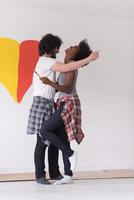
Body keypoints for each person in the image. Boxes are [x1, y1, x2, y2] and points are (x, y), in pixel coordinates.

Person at [27, 33, 99, 185]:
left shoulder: (58, 65)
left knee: (53, 138)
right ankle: (41, 175)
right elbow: (67, 68)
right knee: (42, 140)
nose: (59, 51)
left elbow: (67, 76)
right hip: (43, 103)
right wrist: (88, 59)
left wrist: (84, 60)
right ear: (51, 48)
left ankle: (58, 172)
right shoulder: (46, 61)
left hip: (56, 103)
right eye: (56, 48)